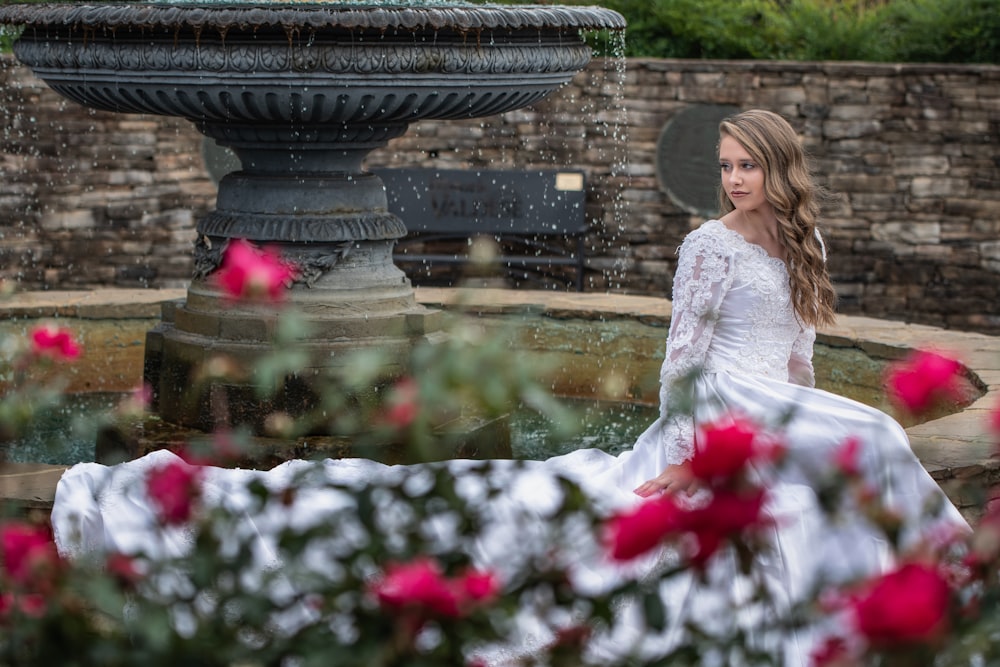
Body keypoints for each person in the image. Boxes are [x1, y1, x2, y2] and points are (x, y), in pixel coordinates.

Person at [51, 109, 969, 664]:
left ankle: (916, 585)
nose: (731, 179)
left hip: (778, 399)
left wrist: (809, 404)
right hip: (719, 405)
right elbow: (680, 359)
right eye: (724, 164)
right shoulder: (709, 245)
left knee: (867, 439)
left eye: (745, 164)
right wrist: (686, 457)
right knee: (875, 443)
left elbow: (800, 355)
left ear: (778, 168)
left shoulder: (801, 246)